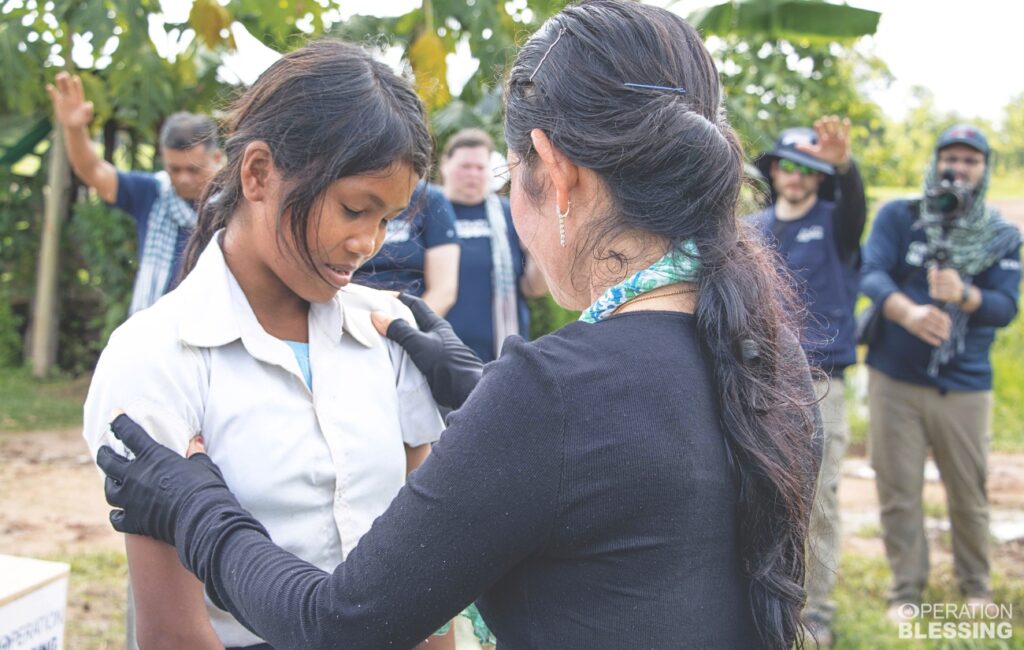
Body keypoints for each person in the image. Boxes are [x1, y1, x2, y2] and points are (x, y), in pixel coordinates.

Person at [96, 2, 821, 648]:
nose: (371, 243)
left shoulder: (546, 393)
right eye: (356, 209)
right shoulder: (768, 359)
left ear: (555, 173)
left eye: (510, 179)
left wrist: (197, 510)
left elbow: (343, 623)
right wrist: (483, 399)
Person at [81, 40, 453, 649]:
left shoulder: (390, 333)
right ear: (257, 174)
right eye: (354, 208)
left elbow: (431, 580)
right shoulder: (155, 356)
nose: (369, 243)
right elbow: (175, 633)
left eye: (387, 219)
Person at [860, 124, 1021, 620]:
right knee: (898, 490)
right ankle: (905, 592)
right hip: (894, 378)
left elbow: (1005, 307)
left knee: (968, 492)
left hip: (964, 384)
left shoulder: (1002, 237)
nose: (958, 168)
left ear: (984, 169)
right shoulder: (900, 216)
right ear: (935, 163)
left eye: (970, 160)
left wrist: (965, 295)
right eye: (949, 157)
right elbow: (871, 271)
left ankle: (976, 590)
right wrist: (906, 310)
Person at [749, 117, 867, 646]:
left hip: (824, 379)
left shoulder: (836, 222)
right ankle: (761, 596)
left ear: (819, 177)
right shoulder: (751, 229)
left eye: (807, 168)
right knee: (755, 488)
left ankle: (814, 609)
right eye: (786, 165)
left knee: (818, 498)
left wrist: (845, 166)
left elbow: (856, 206)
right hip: (757, 379)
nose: (794, 176)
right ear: (773, 171)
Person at [47, 74, 222, 313]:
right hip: (155, 330)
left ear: (217, 159)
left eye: (193, 169)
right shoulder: (152, 193)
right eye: (174, 169)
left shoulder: (234, 204)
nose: (183, 178)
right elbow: (92, 170)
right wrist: (74, 128)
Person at [440, 128, 547, 362]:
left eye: (480, 168)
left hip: (499, 358)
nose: (473, 174)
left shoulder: (512, 213)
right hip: (437, 353)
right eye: (465, 167)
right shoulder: (429, 211)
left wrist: (536, 248)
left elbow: (534, 288)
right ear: (444, 165)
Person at [355, 181, 461, 315]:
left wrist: (409, 328)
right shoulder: (355, 191)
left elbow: (444, 290)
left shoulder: (430, 198)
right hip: (352, 308)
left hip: (412, 312)